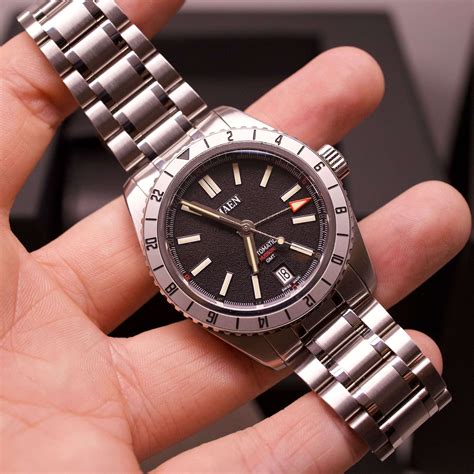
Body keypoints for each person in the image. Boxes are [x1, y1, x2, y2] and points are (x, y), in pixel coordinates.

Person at [0, 0, 471, 472]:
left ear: (324, 169)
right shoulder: (153, 207)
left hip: (313, 285)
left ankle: (401, 408)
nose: (247, 228)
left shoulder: (226, 147)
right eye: (243, 229)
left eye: (247, 226)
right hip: (274, 301)